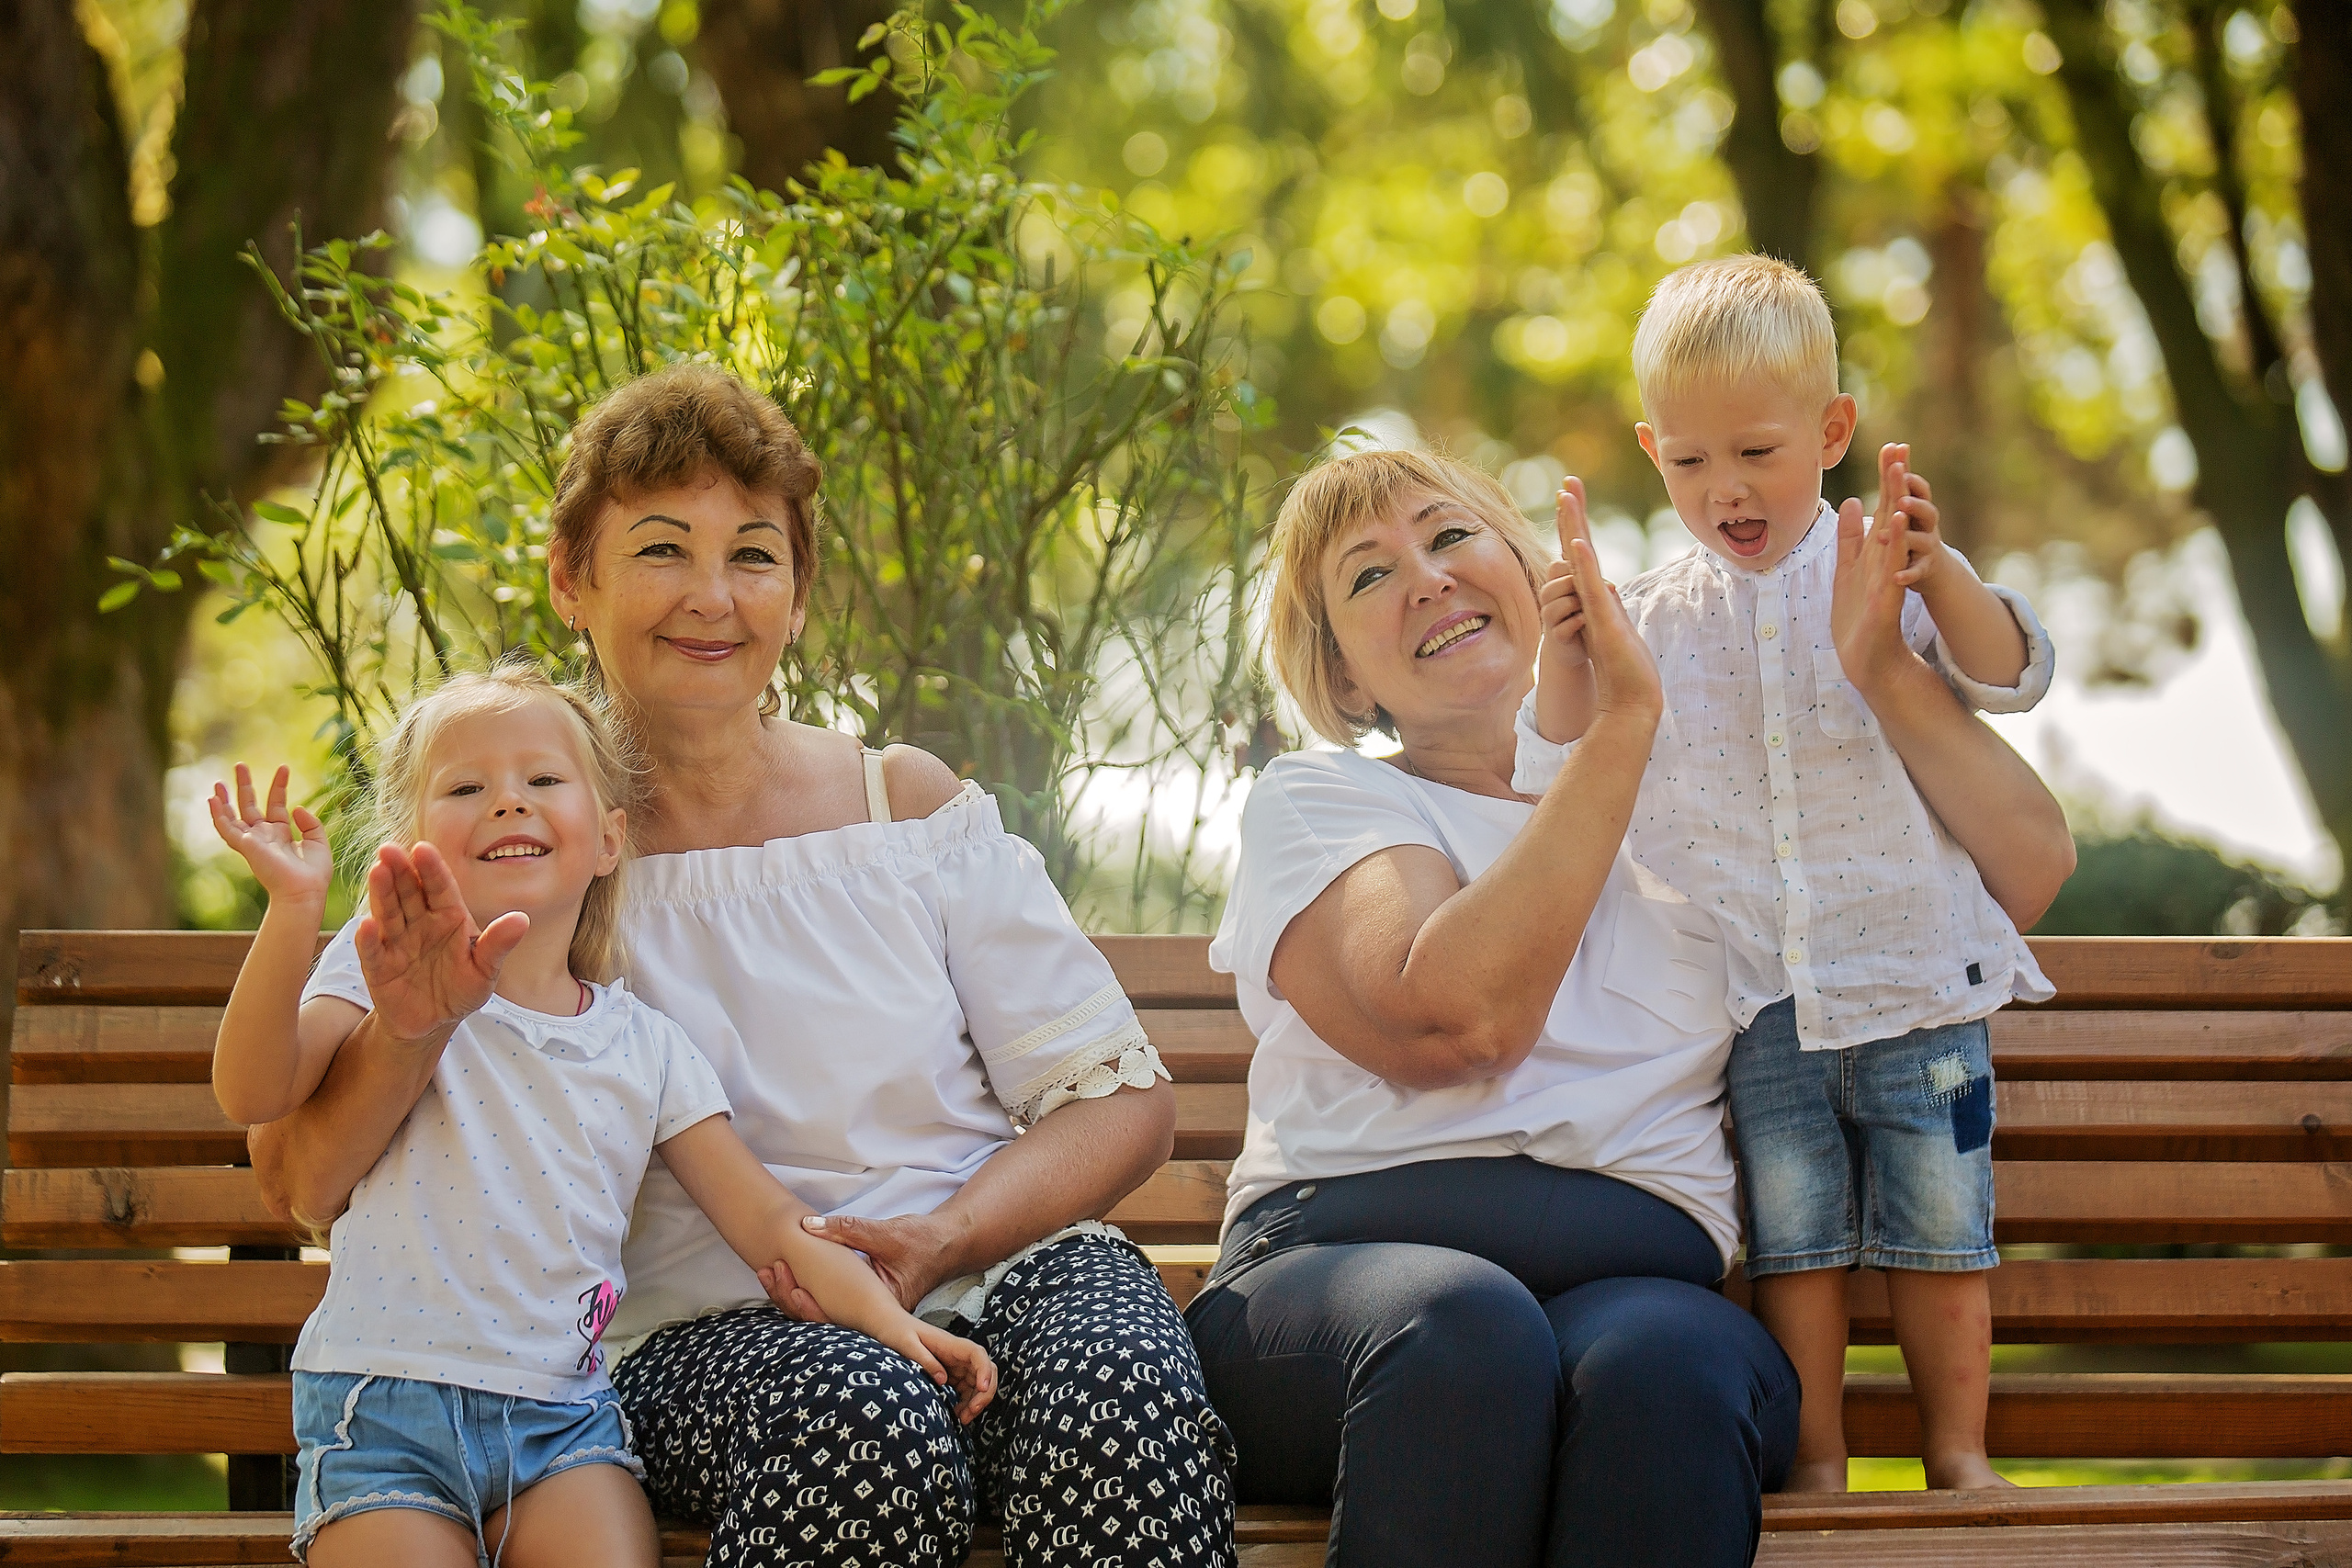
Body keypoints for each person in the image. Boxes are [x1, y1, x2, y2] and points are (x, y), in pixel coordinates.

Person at [247, 365, 1236, 1568]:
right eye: (662, 548)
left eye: (755, 555)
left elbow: (1120, 1101)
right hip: (707, 1336)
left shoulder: (903, 805)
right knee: (857, 1417)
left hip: (1000, 1263)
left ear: (798, 591)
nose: (712, 597)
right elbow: (299, 1170)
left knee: (1121, 1399)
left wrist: (947, 1233)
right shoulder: (527, 858)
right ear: (573, 578)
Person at [1184, 445, 2073, 1567]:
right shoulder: (1326, 797)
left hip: (1641, 1287)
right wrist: (1617, 730)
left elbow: (2029, 867)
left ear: (1531, 571)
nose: (1426, 578)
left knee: (1669, 1370)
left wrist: (1882, 670)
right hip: (1343, 1287)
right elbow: (1455, 1023)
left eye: (1451, 535)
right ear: (1347, 679)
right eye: (1368, 575)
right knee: (1467, 1329)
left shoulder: (1695, 812)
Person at [209, 666, 993, 1568]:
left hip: (563, 1429)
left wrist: (900, 1328)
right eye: (466, 787)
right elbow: (254, 1093)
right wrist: (294, 909)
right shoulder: (379, 967)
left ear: (611, 838)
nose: (509, 802)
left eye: (543, 781)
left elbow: (774, 1225)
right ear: (412, 840)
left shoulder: (646, 1046)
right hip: (389, 1413)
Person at [1519, 254, 2068, 1494]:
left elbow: (2013, 674)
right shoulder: (1651, 613)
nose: (1727, 489)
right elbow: (1549, 761)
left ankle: (1958, 1453)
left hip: (1918, 972)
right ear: (1653, 451)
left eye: (1757, 452)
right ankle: (1817, 1459)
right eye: (1690, 461)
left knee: (1941, 1231)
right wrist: (1565, 651)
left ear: (1830, 433)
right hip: (1760, 995)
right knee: (1796, 1238)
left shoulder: (1882, 566)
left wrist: (1947, 576)